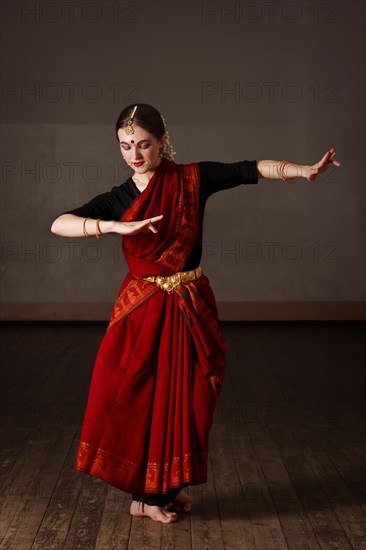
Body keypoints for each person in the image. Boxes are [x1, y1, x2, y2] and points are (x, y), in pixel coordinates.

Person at [50, 103, 341, 524]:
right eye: (125, 146)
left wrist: (304, 171)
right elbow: (59, 223)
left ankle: (162, 492)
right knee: (140, 398)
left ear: (163, 141)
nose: (135, 155)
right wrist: (112, 226)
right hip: (144, 311)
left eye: (144, 145)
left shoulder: (190, 179)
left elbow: (249, 169)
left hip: (189, 305)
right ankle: (145, 496)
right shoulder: (119, 198)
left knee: (189, 396)